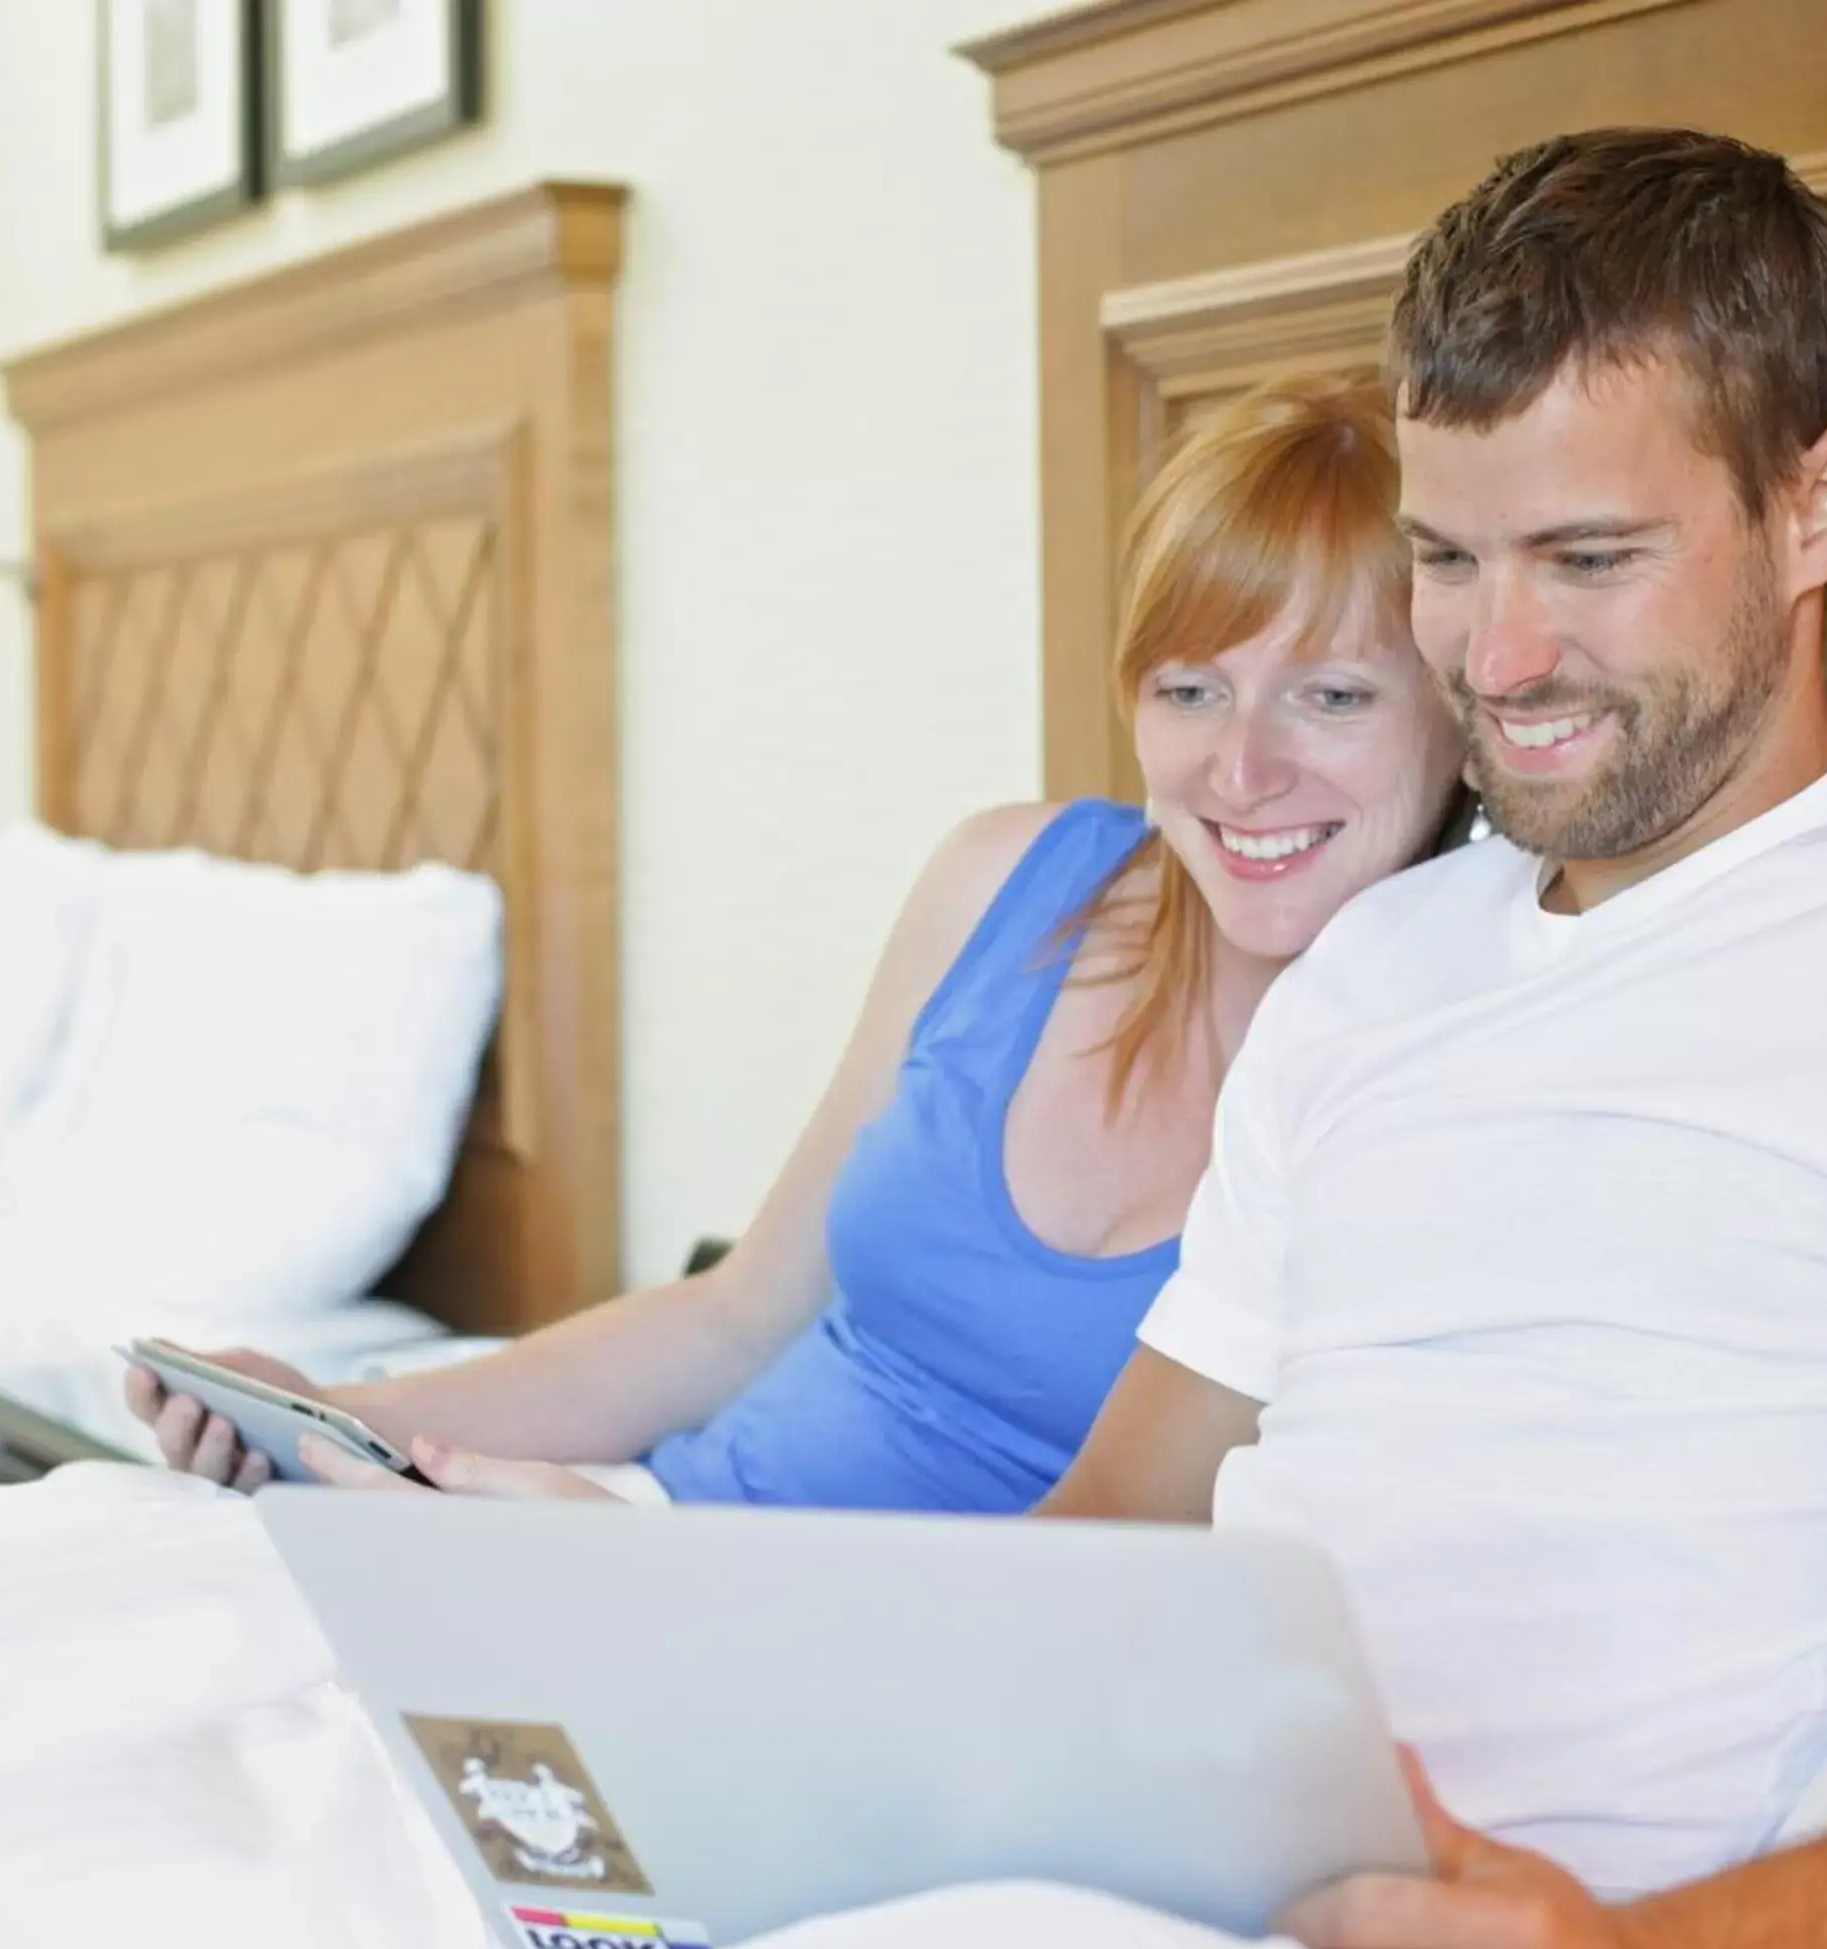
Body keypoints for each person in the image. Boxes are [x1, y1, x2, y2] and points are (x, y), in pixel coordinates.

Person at [657, 128, 1827, 1949]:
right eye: (1447, 561)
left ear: (1821, 503)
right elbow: (1115, 1527)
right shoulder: (1380, 964)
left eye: (1589, 559)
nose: (1499, 657)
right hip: (1152, 1907)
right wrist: (738, 1720)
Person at [130, 375, 1470, 1513]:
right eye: (1191, 691)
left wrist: (653, 1574)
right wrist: (331, 1422)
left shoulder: (1444, 1081)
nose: (1243, 769)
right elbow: (731, 1318)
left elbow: (1144, 1590)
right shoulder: (1009, 879)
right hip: (662, 1529)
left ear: (1459, 707)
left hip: (869, 1674)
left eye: (1332, 696)